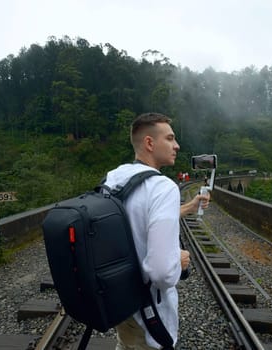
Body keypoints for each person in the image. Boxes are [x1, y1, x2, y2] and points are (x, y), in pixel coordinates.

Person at [103, 112, 209, 349]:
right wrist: (178, 260)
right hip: (148, 311)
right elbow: (161, 274)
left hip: (122, 301)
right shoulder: (163, 187)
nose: (177, 145)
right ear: (150, 143)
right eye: (170, 138)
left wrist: (188, 208)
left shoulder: (115, 177)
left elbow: (137, 217)